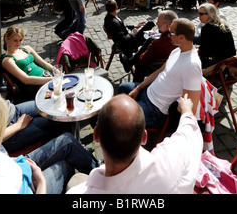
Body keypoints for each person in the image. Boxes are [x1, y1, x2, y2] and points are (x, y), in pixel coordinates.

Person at [67, 93, 203, 194]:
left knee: (75, 178)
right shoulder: (169, 162)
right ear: (144, 138)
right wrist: (186, 110)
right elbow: (189, 133)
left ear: (96, 135)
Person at [0, 94, 99, 194]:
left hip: (21, 166)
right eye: (1, 127)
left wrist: (14, 162)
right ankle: (102, 180)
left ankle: (102, 172)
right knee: (65, 165)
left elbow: (2, 161)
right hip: (32, 185)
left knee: (67, 141)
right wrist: (41, 183)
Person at [0, 37, 75, 155]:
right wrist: (19, 125)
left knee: (55, 105)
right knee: (60, 120)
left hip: (14, 110)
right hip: (8, 132)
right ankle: (65, 149)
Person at [118, 18, 202, 129]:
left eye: (171, 33)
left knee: (119, 119)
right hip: (147, 92)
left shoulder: (191, 65)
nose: (168, 36)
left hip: (156, 110)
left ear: (181, 37)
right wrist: (138, 88)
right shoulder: (177, 50)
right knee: (122, 88)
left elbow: (192, 106)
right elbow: (159, 71)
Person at [119, 10, 178, 82]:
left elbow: (142, 60)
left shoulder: (158, 43)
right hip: (170, 70)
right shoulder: (180, 40)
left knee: (139, 66)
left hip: (157, 69)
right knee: (150, 40)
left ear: (167, 26)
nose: (156, 23)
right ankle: (129, 63)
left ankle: (136, 88)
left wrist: (138, 58)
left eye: (159, 21)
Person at [1, 26, 53, 99]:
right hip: (37, 86)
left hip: (48, 76)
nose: (18, 43)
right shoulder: (8, 60)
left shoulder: (27, 49)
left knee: (66, 88)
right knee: (53, 95)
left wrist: (56, 70)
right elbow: (26, 79)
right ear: (6, 39)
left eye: (20, 40)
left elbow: (44, 63)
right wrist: (53, 79)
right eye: (15, 40)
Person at [197, 3, 236, 75]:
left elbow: (203, 52)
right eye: (198, 13)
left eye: (201, 14)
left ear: (209, 15)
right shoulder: (223, 24)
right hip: (230, 62)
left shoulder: (207, 29)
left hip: (218, 65)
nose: (198, 16)